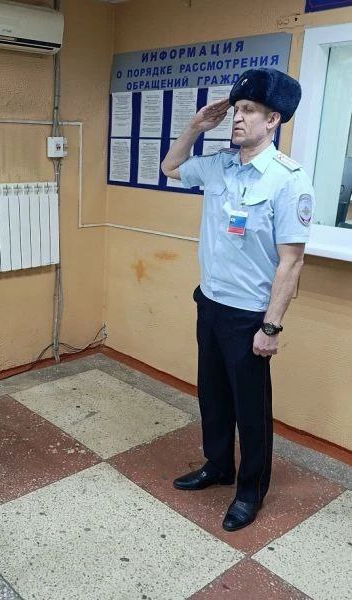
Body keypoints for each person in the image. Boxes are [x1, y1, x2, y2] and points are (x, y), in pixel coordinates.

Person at [161, 68, 314, 531]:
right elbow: (170, 168)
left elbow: (291, 262)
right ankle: (218, 466)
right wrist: (194, 127)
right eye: (237, 110)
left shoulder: (288, 180)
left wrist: (271, 326)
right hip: (210, 303)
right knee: (212, 396)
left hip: (250, 316)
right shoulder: (220, 165)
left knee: (251, 410)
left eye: (249, 110)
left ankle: (250, 490)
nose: (238, 118)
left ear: (274, 119)